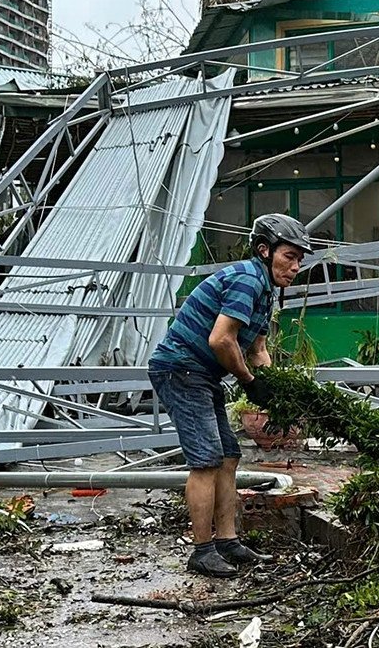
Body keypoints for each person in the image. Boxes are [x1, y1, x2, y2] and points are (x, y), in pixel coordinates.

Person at [148, 213, 311, 577]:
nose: (296, 266)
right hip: (181, 368)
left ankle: (227, 541)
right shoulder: (247, 280)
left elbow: (258, 348)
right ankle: (202, 550)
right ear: (264, 251)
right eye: (289, 256)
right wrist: (250, 381)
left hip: (202, 374)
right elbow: (220, 339)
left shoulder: (266, 291)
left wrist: (276, 390)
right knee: (206, 460)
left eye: (300, 259)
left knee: (228, 456)